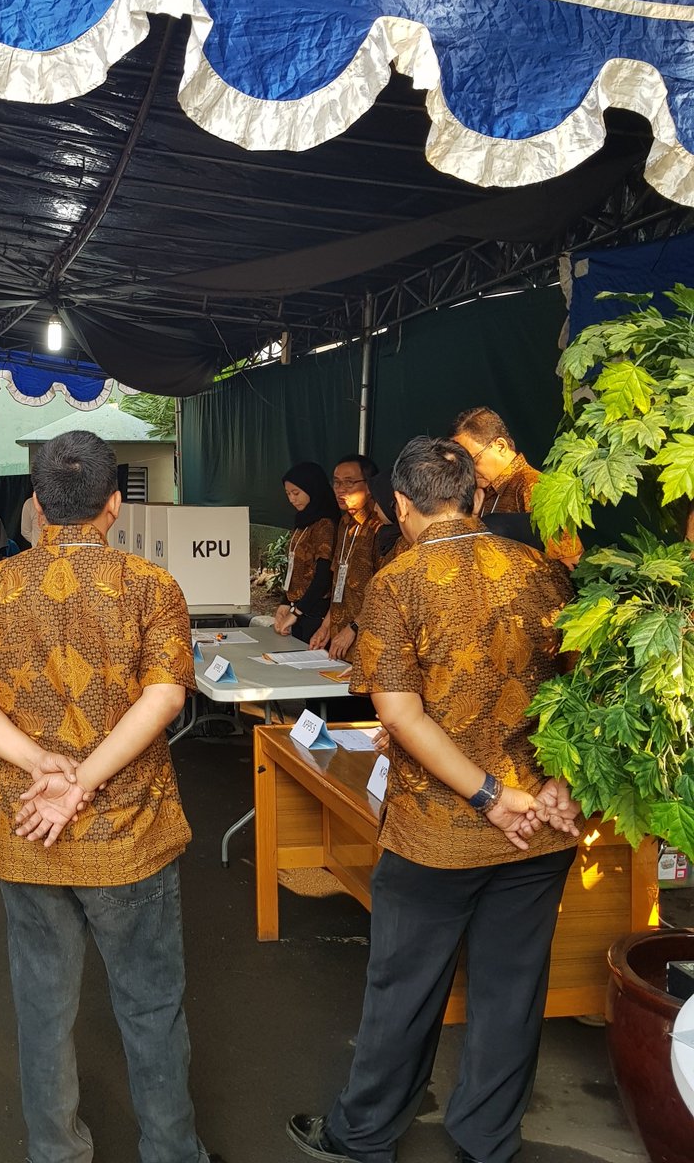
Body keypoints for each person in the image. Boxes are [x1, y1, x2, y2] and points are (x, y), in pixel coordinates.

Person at [286, 436, 582, 1163]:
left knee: (406, 990)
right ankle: (487, 1139)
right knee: (512, 993)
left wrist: (486, 795)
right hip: (539, 822)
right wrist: (559, 784)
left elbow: (400, 712)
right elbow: (584, 691)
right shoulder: (543, 571)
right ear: (476, 495)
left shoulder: (399, 582)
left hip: (439, 829)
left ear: (400, 504)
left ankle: (364, 1136)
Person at [0, 430, 219, 1163]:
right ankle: (172, 1152)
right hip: (130, 834)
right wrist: (84, 783)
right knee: (152, 1008)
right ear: (114, 504)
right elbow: (165, 697)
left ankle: (55, 1152)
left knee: (43, 1011)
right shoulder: (151, 586)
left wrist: (42, 767)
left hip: (30, 831)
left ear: (35, 504)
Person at [450, 406, 582, 568]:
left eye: (474, 461)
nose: (469, 471)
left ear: (500, 446)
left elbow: (570, 562)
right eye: (463, 466)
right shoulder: (482, 491)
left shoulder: (534, 486)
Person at [308, 454, 383, 661]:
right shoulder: (344, 524)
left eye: (349, 482)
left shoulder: (379, 527)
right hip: (339, 639)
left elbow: (384, 593)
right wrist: (325, 627)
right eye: (337, 482)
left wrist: (354, 627)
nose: (340, 489)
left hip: (367, 640)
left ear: (369, 486)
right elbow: (337, 583)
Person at [272, 462, 338, 641]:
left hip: (315, 612)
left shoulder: (324, 524)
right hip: (300, 609)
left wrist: (296, 612)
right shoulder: (303, 521)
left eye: (296, 493)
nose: (292, 499)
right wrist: (286, 603)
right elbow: (295, 569)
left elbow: (323, 576)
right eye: (288, 494)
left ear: (312, 488)